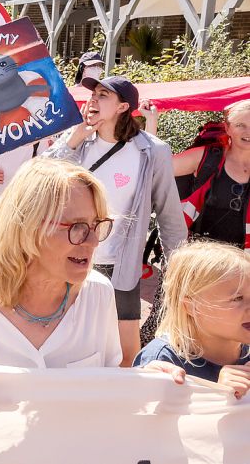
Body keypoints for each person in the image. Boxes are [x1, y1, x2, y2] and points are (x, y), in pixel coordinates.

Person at [0, 158, 184, 383]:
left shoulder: (98, 294)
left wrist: (149, 381)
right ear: (26, 227)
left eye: (96, 225)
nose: (91, 242)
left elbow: (109, 383)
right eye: (76, 227)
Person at [44, 75, 187, 367]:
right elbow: (40, 179)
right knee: (60, 338)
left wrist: (179, 268)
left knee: (126, 352)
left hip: (121, 264)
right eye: (93, 93)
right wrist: (73, 139)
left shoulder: (151, 150)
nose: (93, 99)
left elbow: (169, 214)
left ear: (123, 107)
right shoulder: (77, 142)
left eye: (103, 95)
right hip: (68, 257)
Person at [133, 241, 250, 397]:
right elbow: (145, 417)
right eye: (237, 298)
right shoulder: (162, 361)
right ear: (190, 307)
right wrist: (216, 395)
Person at [161, 99, 250, 249]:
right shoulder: (207, 158)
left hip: (243, 264)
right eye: (240, 125)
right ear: (227, 128)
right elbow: (152, 167)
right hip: (199, 259)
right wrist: (151, 121)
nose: (248, 132)